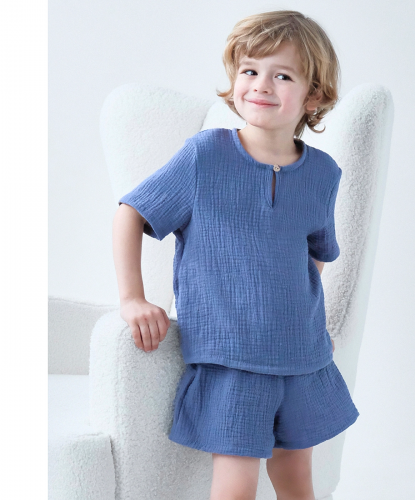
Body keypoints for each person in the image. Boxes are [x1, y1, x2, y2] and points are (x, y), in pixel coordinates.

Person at [113, 9, 359, 500]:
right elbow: (130, 213)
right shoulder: (205, 156)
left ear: (313, 95)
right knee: (235, 487)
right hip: (230, 356)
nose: (261, 84)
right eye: (250, 70)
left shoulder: (323, 173)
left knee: (297, 479)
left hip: (302, 357)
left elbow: (314, 254)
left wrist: (309, 325)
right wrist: (132, 298)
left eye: (282, 75)